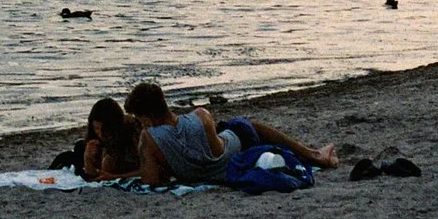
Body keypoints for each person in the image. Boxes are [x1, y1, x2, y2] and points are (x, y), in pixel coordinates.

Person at [123, 81, 338, 186]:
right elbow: (215, 146)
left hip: (218, 166)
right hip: (234, 154)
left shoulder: (150, 139)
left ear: (146, 117)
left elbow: (150, 181)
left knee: (242, 128)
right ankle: (313, 154)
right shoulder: (201, 115)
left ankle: (313, 154)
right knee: (248, 126)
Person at [77, 97, 143, 181]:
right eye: (96, 128)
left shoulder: (134, 135)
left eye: (105, 130)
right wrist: (87, 159)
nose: (100, 134)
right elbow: (92, 174)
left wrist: (114, 177)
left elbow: (147, 169)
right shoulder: (96, 139)